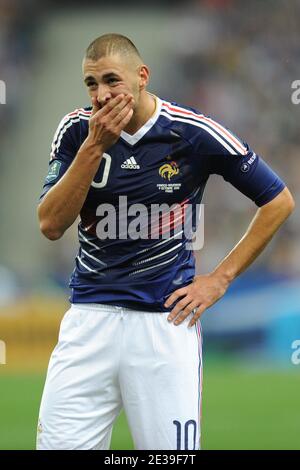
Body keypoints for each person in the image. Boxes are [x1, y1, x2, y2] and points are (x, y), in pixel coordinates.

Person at [36, 33, 294, 450]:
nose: (101, 95)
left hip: (163, 324)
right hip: (88, 319)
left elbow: (278, 201)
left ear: (142, 76)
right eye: (90, 84)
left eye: (111, 80)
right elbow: (50, 224)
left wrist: (221, 278)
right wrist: (94, 147)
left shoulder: (192, 132)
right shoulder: (76, 131)